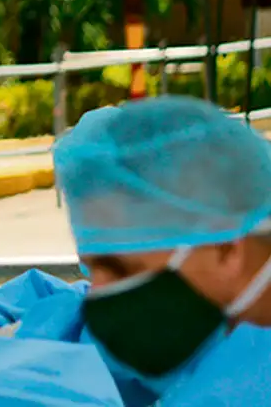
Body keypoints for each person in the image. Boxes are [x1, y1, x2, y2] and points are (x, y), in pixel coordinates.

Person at [52, 96, 271, 404]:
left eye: (121, 268)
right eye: (90, 268)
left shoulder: (242, 384)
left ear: (225, 249)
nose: (97, 294)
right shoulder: (220, 344)